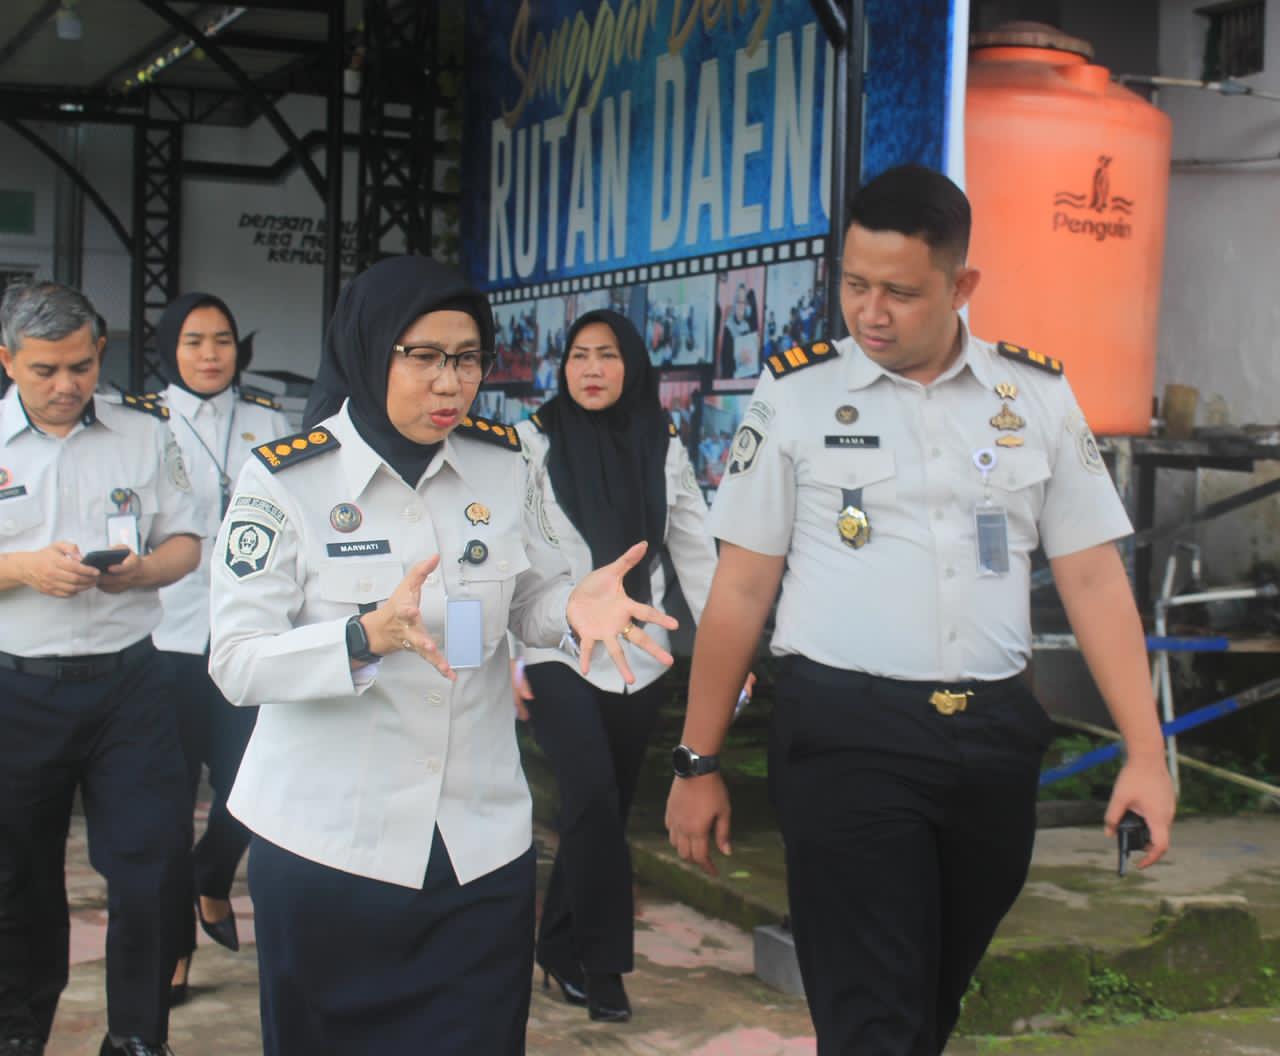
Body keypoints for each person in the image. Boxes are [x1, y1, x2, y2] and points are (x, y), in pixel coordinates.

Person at [664, 165, 1176, 1055]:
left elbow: (1094, 579)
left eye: (900, 293)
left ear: (961, 285)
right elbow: (741, 588)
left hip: (993, 739)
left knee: (925, 1010)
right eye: (855, 285)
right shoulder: (797, 394)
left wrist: (1145, 752)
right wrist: (696, 759)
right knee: (877, 1023)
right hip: (846, 736)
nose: (871, 313)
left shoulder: (1034, 396)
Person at [207, 256, 677, 1055]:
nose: (450, 383)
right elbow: (238, 660)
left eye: (467, 359)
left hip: (476, 845)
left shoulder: (503, 462)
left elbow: (528, 598)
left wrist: (570, 608)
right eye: (423, 356)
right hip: (329, 847)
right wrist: (361, 637)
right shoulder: (287, 480)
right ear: (370, 350)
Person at [513, 309, 744, 1023]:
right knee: (589, 800)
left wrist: (730, 651)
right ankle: (604, 965)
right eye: (579, 355)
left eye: (607, 355)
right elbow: (504, 557)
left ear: (633, 366)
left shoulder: (661, 443)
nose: (591, 369)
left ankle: (556, 948)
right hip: (554, 646)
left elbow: (695, 550)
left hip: (639, 656)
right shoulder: (529, 442)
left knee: (604, 811)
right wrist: (505, 657)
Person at [0, 281, 202, 1056]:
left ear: (100, 353)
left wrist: (145, 570)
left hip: (129, 687)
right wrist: (23, 569)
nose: (66, 385)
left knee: (151, 867)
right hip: (18, 688)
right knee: (17, 879)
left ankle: (137, 1038)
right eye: (45, 369)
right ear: (8, 361)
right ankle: (19, 1034)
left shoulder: (143, 434)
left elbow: (185, 542)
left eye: (80, 366)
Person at [149, 293, 290, 1003]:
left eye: (223, 340)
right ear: (169, 349)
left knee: (250, 786)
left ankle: (212, 873)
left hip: (249, 635)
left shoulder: (270, 421)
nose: (210, 354)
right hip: (168, 636)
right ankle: (173, 950)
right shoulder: (146, 422)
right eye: (194, 341)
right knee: (166, 806)